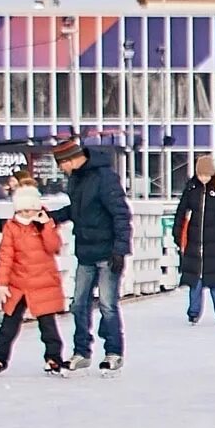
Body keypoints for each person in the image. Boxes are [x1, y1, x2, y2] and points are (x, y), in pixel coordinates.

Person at [53, 133, 133, 373]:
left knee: (108, 304)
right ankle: (81, 351)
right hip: (85, 251)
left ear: (70, 160)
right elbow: (77, 210)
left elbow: (120, 213)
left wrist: (120, 249)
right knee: (79, 303)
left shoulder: (105, 178)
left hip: (108, 252)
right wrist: (52, 217)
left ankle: (113, 352)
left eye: (62, 165)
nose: (62, 170)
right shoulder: (76, 180)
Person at [0, 181, 69, 375]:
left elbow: (54, 247)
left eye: (30, 211)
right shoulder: (11, 227)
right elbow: (5, 256)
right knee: (9, 324)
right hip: (18, 284)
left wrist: (46, 225)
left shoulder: (44, 225)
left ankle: (53, 357)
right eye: (22, 211)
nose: (26, 215)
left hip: (42, 282)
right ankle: (0, 358)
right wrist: (1, 284)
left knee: (47, 324)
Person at [173, 153, 215, 325]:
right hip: (195, 241)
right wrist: (177, 233)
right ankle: (193, 312)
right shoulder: (191, 189)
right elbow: (181, 212)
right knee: (195, 280)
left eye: (206, 175)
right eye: (200, 174)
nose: (203, 178)